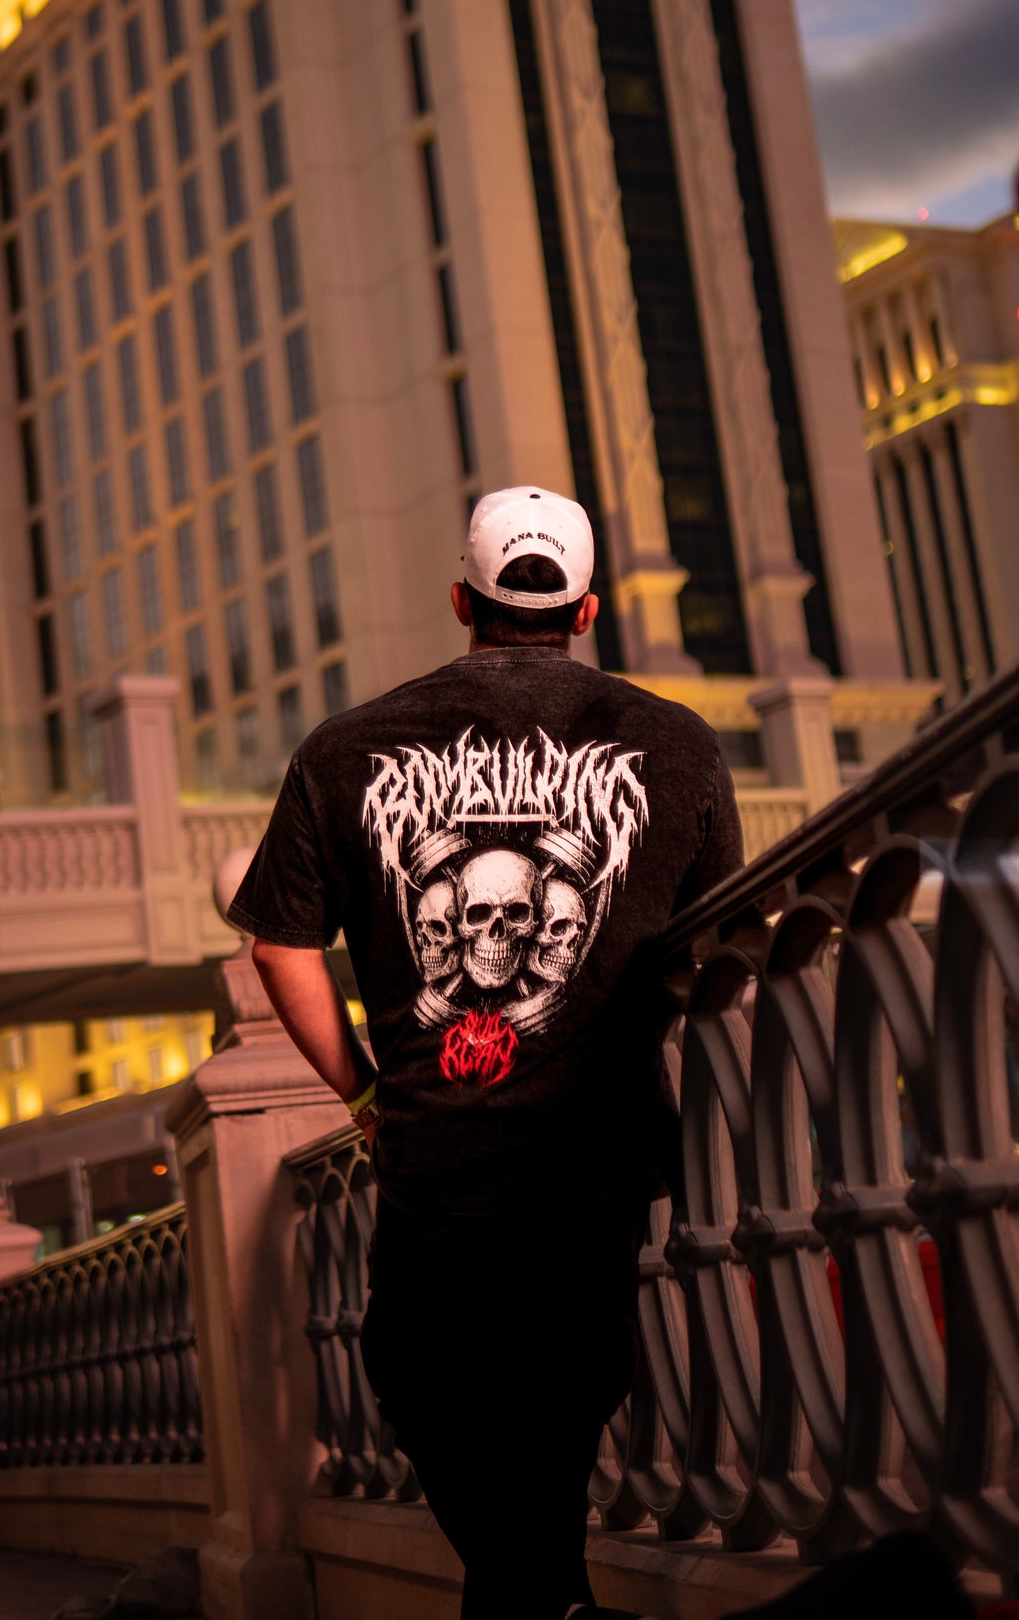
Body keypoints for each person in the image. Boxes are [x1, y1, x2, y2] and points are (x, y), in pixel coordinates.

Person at [227, 486, 745, 1619]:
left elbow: (278, 948)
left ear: (460, 599)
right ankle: (550, 1600)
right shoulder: (675, 745)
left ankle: (542, 1601)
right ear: (587, 606)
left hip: (436, 1157)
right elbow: (724, 956)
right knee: (559, 1407)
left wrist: (364, 1090)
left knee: (421, 1383)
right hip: (597, 1154)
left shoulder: (342, 747)